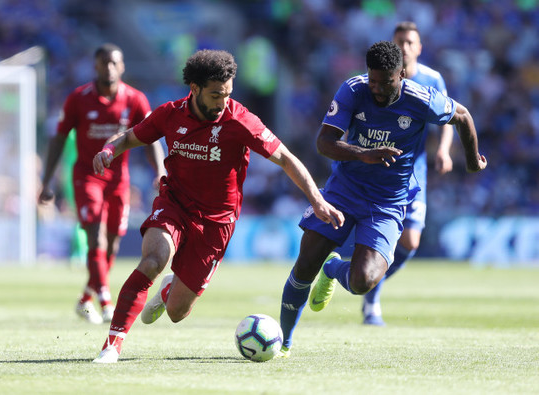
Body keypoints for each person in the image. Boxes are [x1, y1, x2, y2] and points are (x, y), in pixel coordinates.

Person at [91, 49, 344, 363]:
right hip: (175, 204)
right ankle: (112, 344)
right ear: (194, 89)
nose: (222, 102)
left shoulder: (241, 120)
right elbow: (130, 138)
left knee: (177, 313)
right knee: (153, 260)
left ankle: (170, 290)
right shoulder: (170, 114)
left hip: (217, 222)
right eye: (215, 95)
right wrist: (108, 149)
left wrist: (317, 200)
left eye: (227, 94)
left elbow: (286, 159)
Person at [278, 41, 487, 356]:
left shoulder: (422, 100)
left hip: (388, 201)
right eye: (372, 79)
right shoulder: (353, 90)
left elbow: (463, 115)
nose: (376, 88)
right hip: (343, 190)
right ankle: (283, 344)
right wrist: (364, 154)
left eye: (385, 82)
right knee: (305, 263)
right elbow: (324, 142)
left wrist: (472, 161)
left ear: (401, 74)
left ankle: (333, 270)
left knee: (363, 281)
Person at [39, 43, 166, 325]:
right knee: (95, 236)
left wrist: (160, 171)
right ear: (95, 66)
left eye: (114, 63)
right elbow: (58, 139)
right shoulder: (78, 99)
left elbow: (151, 138)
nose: (109, 68)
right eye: (104, 63)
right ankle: (106, 302)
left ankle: (85, 299)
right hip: (87, 178)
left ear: (122, 67)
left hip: (119, 182)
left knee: (111, 245)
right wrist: (46, 181)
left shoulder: (135, 100)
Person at [361, 21, 455, 326]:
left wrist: (442, 150)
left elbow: (451, 118)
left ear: (419, 48)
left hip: (414, 174)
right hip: (375, 171)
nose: (405, 47)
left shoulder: (432, 79)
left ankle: (372, 289)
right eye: (399, 41)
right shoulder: (372, 81)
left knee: (411, 242)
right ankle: (358, 280)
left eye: (410, 42)